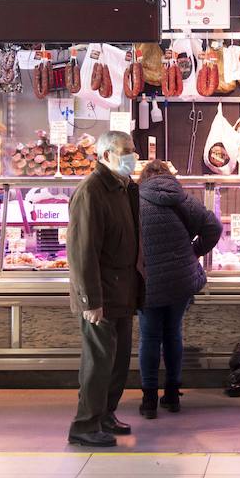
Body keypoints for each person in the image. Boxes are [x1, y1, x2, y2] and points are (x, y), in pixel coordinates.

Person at [67, 130, 144, 447]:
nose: (132, 156)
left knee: (118, 359)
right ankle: (85, 425)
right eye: (125, 151)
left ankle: (106, 414)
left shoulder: (125, 188)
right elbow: (82, 252)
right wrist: (90, 300)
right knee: (98, 361)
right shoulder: (92, 192)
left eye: (133, 150)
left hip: (123, 290)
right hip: (100, 293)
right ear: (105, 155)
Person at [136, 160, 222, 419]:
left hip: (148, 280)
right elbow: (214, 228)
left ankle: (149, 400)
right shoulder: (184, 198)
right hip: (180, 280)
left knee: (149, 338)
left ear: (144, 178)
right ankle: (172, 395)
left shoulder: (134, 200)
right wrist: (192, 253)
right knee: (173, 334)